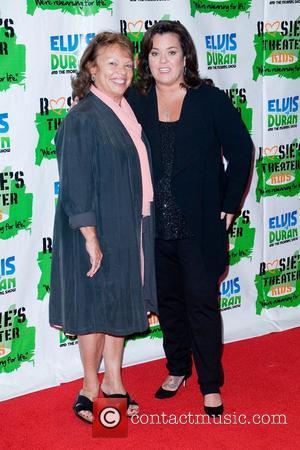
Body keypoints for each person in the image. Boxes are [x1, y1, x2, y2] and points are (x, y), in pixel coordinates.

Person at [126, 20, 253, 416]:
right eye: (155, 52)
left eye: (172, 52)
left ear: (186, 57)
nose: (163, 60)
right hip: (153, 224)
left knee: (201, 304)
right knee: (168, 303)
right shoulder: (135, 98)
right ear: (146, 59)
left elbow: (241, 149)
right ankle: (178, 367)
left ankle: (210, 383)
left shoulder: (209, 99)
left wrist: (230, 204)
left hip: (197, 223)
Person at [49, 32, 157, 423]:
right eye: (112, 63)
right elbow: (75, 183)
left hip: (129, 222)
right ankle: (88, 388)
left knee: (119, 303)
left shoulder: (124, 108)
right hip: (94, 228)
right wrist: (91, 237)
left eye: (128, 64)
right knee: (94, 308)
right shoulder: (82, 116)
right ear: (91, 69)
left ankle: (114, 382)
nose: (123, 71)